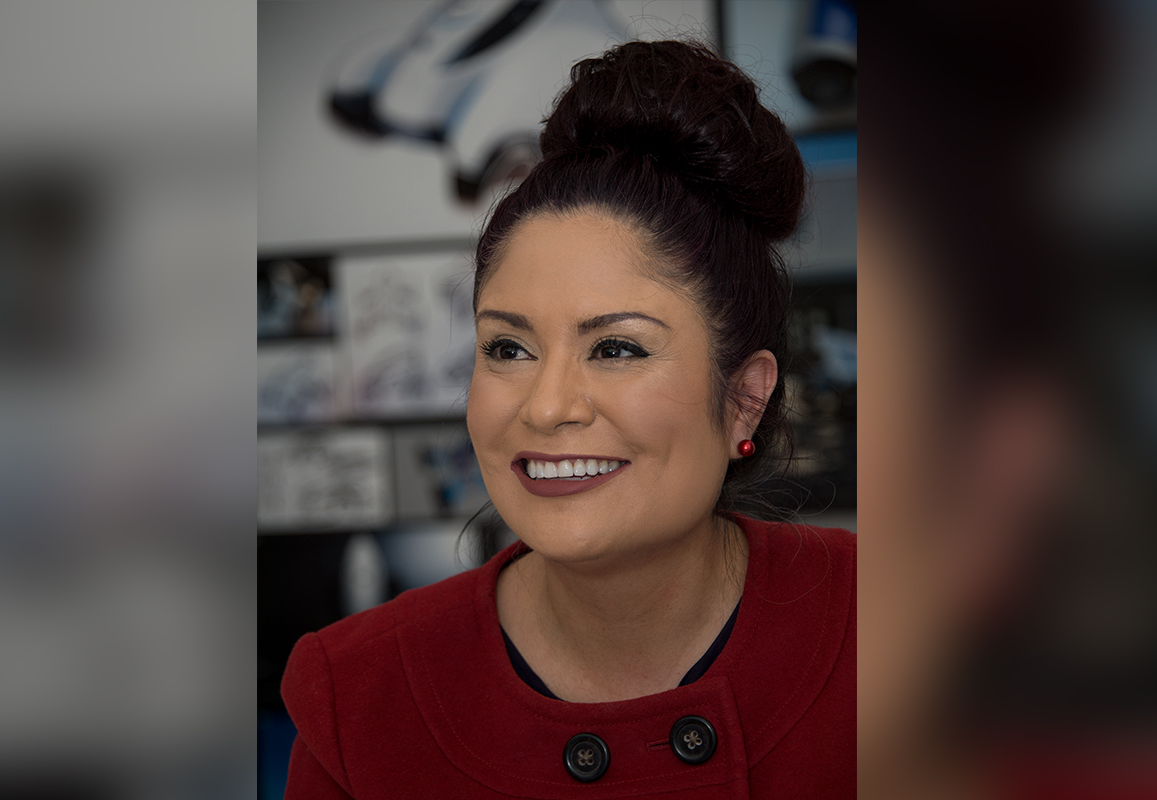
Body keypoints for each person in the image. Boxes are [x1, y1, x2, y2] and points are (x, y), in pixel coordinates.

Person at [281, 40, 855, 798]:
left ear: (744, 397)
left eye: (615, 348)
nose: (547, 406)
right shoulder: (358, 697)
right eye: (508, 349)